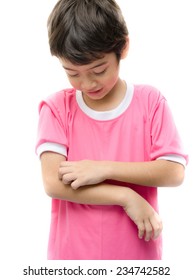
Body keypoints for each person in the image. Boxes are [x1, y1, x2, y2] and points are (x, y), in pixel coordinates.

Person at [36, 0, 188, 260]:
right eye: (72, 73)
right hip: (73, 258)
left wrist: (103, 168)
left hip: (136, 257)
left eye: (99, 70)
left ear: (123, 47)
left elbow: (173, 172)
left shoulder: (150, 102)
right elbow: (52, 183)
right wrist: (125, 195)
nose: (86, 83)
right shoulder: (56, 108)